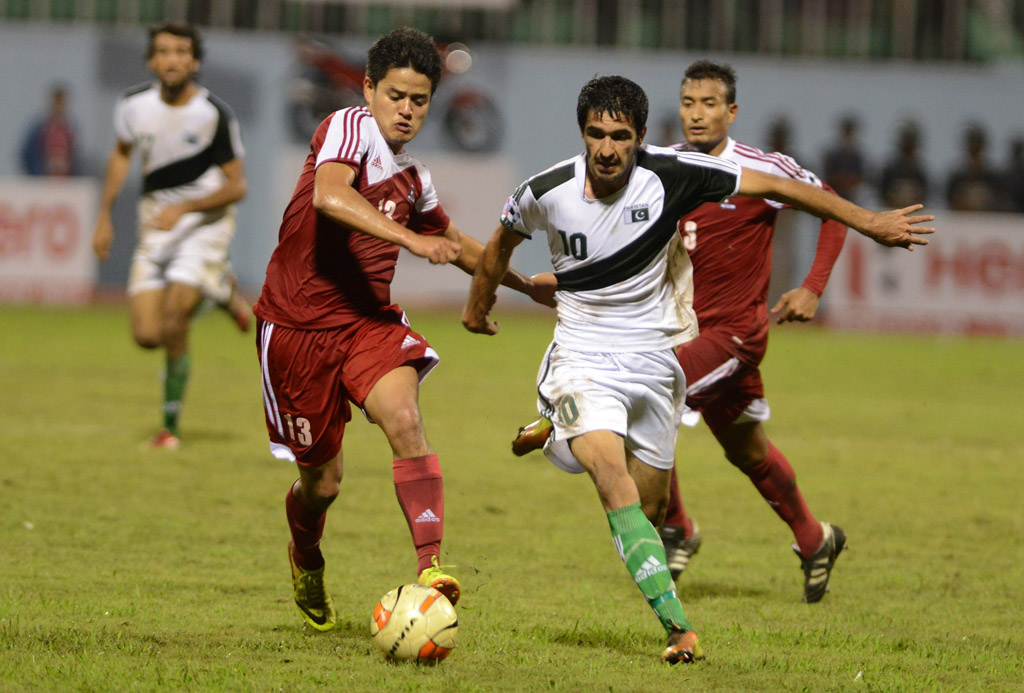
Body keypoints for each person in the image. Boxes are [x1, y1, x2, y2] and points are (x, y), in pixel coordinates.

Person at [465, 75, 931, 663]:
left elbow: (804, 194)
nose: (606, 149)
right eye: (595, 135)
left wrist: (863, 229)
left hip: (690, 349)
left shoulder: (686, 173)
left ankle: (588, 447)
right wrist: (482, 304)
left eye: (620, 137)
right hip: (605, 353)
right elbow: (513, 247)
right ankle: (697, 613)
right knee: (661, 472)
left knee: (656, 502)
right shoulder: (556, 186)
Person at [254, 27, 553, 633]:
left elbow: (453, 242)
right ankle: (305, 554)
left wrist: (520, 285)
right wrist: (409, 239)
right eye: (395, 95)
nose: (406, 110)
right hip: (295, 328)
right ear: (368, 88)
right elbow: (330, 197)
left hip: (366, 323)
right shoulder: (346, 128)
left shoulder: (414, 177)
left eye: (419, 100)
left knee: (405, 419)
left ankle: (431, 569)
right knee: (323, 483)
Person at [91, 22, 252, 450]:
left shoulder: (213, 114)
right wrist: (104, 215)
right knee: (147, 335)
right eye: (163, 51)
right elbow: (121, 156)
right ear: (151, 60)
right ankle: (221, 291)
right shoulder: (133, 106)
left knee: (175, 317)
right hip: (155, 225)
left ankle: (169, 428)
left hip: (204, 225)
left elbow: (238, 186)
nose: (172, 59)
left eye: (182, 51)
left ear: (195, 62)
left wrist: (184, 208)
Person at [20, 84, 78, 177]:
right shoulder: (40, 129)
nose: (59, 106)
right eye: (57, 102)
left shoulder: (69, 130)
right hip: (43, 180)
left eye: (61, 103)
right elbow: (27, 154)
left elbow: (74, 157)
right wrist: (35, 174)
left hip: (65, 182)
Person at [945, 123, 1003, 212]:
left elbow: (998, 200)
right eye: (971, 143)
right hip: (960, 221)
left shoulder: (992, 176)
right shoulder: (957, 175)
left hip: (988, 222)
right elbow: (949, 199)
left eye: (977, 144)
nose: (974, 147)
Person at [878, 120, 929, 209]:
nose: (908, 146)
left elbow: (925, 195)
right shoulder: (891, 169)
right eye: (906, 141)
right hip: (892, 211)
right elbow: (882, 192)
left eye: (910, 142)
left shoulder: (919, 170)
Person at [822, 115, 867, 202]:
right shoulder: (833, 155)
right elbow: (827, 175)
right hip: (834, 192)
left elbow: (862, 177)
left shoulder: (858, 156)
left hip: (854, 194)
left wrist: (850, 183)